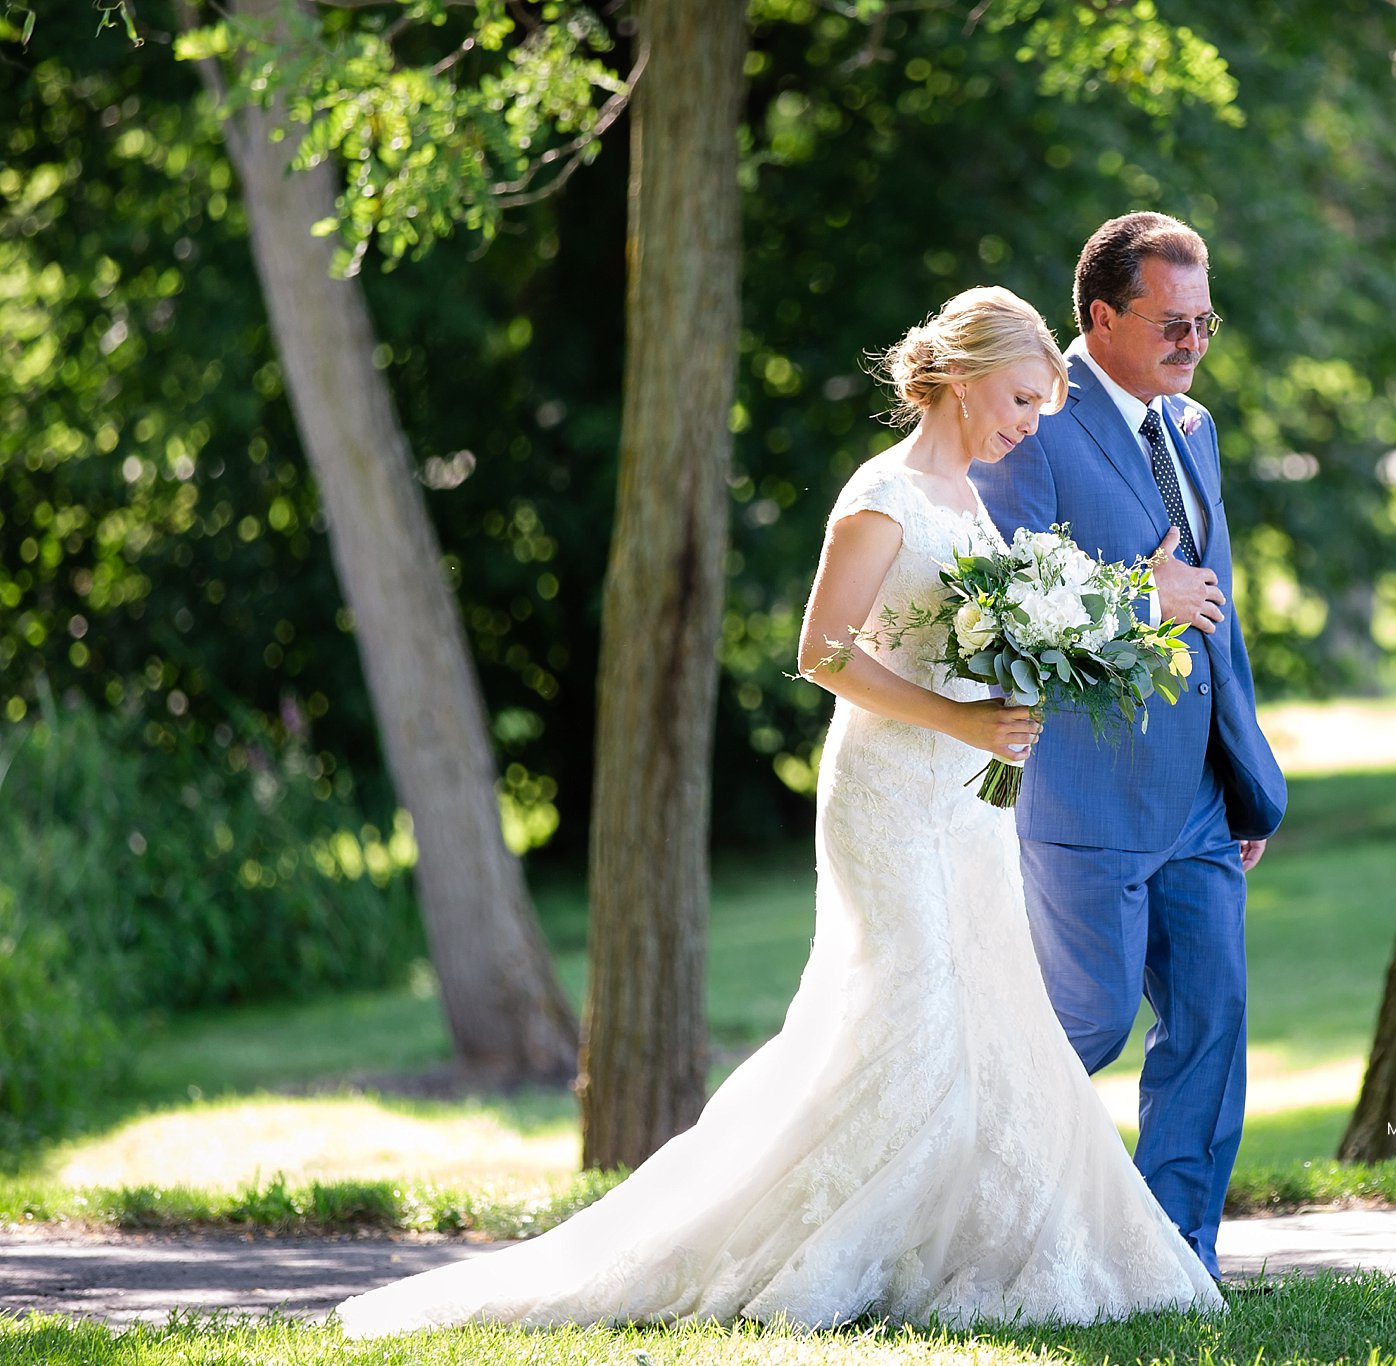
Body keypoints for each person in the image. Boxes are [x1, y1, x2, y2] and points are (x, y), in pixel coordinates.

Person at [333, 285, 1223, 1338]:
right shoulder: (881, 494)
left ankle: (954, 1243)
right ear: (967, 375)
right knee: (913, 1016)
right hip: (890, 800)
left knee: (984, 1018)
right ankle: (827, 1243)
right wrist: (956, 715)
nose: (1030, 423)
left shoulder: (973, 496)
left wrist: (1030, 670)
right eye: (1023, 398)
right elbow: (823, 653)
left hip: (966, 805)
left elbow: (974, 624)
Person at [970, 214, 1287, 1281]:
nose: (1192, 341)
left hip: (1197, 795)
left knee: (1210, 1023)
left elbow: (1219, 616)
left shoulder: (1190, 428)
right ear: (1100, 316)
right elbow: (1008, 597)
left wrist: (1244, 781)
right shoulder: (1030, 423)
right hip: (1085, 792)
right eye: (1170, 321)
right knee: (1090, 1023)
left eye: (1204, 322)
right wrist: (1137, 598)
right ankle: (997, 1229)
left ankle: (1170, 1260)